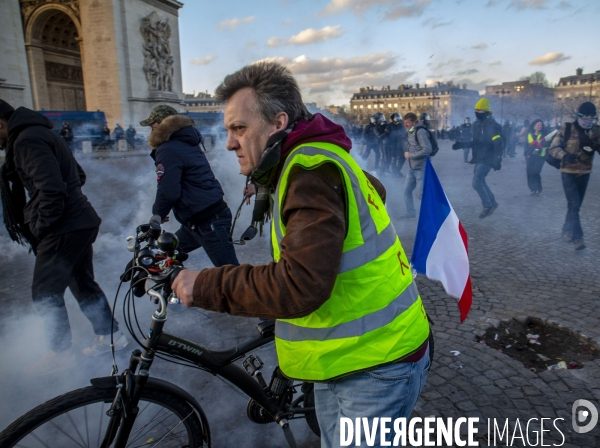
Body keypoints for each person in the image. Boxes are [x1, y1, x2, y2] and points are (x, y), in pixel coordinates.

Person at [171, 62, 430, 447]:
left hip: (376, 363)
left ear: (278, 123)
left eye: (239, 128)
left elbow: (299, 283)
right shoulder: (315, 157)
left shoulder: (308, 170)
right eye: (228, 130)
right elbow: (370, 196)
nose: (229, 142)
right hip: (347, 357)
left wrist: (205, 283)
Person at [0, 99, 128, 374]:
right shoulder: (43, 133)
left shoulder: (25, 141)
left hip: (63, 227)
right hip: (79, 221)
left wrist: (41, 227)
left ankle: (60, 354)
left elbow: (51, 189)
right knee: (81, 282)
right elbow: (77, 176)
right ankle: (111, 336)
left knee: (45, 293)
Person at [141, 105, 239, 267]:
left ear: (163, 125)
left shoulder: (168, 148)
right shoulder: (185, 142)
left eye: (152, 127)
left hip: (208, 220)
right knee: (163, 255)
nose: (151, 132)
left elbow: (169, 189)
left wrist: (157, 215)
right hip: (198, 220)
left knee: (231, 273)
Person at [548, 101, 600, 251]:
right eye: (586, 117)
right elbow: (553, 148)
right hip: (568, 172)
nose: (588, 120)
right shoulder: (568, 128)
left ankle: (566, 229)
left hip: (585, 173)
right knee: (574, 205)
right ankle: (578, 238)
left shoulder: (596, 131)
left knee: (574, 206)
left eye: (592, 117)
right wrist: (564, 155)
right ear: (580, 116)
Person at [452, 98, 503, 219]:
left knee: (476, 182)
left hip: (488, 158)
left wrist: (498, 158)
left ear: (486, 111)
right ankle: (493, 203)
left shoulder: (492, 125)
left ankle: (488, 205)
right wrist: (462, 145)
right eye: (475, 110)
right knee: (481, 181)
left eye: (479, 110)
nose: (476, 112)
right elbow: (476, 142)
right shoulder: (477, 125)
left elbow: (498, 142)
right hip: (479, 157)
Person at [402, 112, 432, 219]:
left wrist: (411, 155)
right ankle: (411, 213)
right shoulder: (410, 131)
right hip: (411, 168)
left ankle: (434, 211)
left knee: (420, 194)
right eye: (404, 122)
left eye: (408, 122)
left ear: (414, 122)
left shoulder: (420, 132)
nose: (405, 125)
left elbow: (428, 149)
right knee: (406, 191)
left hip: (421, 168)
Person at [524, 119, 550, 196]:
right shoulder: (529, 134)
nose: (539, 126)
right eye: (538, 125)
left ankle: (538, 188)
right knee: (529, 172)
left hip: (541, 156)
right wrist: (527, 153)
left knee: (536, 172)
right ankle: (533, 188)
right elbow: (526, 145)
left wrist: (541, 143)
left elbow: (548, 143)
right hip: (530, 155)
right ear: (534, 126)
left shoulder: (545, 134)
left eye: (541, 125)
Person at [385, 112, 407, 177]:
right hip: (392, 145)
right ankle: (394, 172)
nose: (398, 118)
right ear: (393, 118)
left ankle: (397, 170)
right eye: (396, 117)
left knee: (402, 158)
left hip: (400, 144)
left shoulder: (401, 125)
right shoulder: (389, 126)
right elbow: (386, 136)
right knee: (393, 159)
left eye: (398, 117)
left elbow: (405, 133)